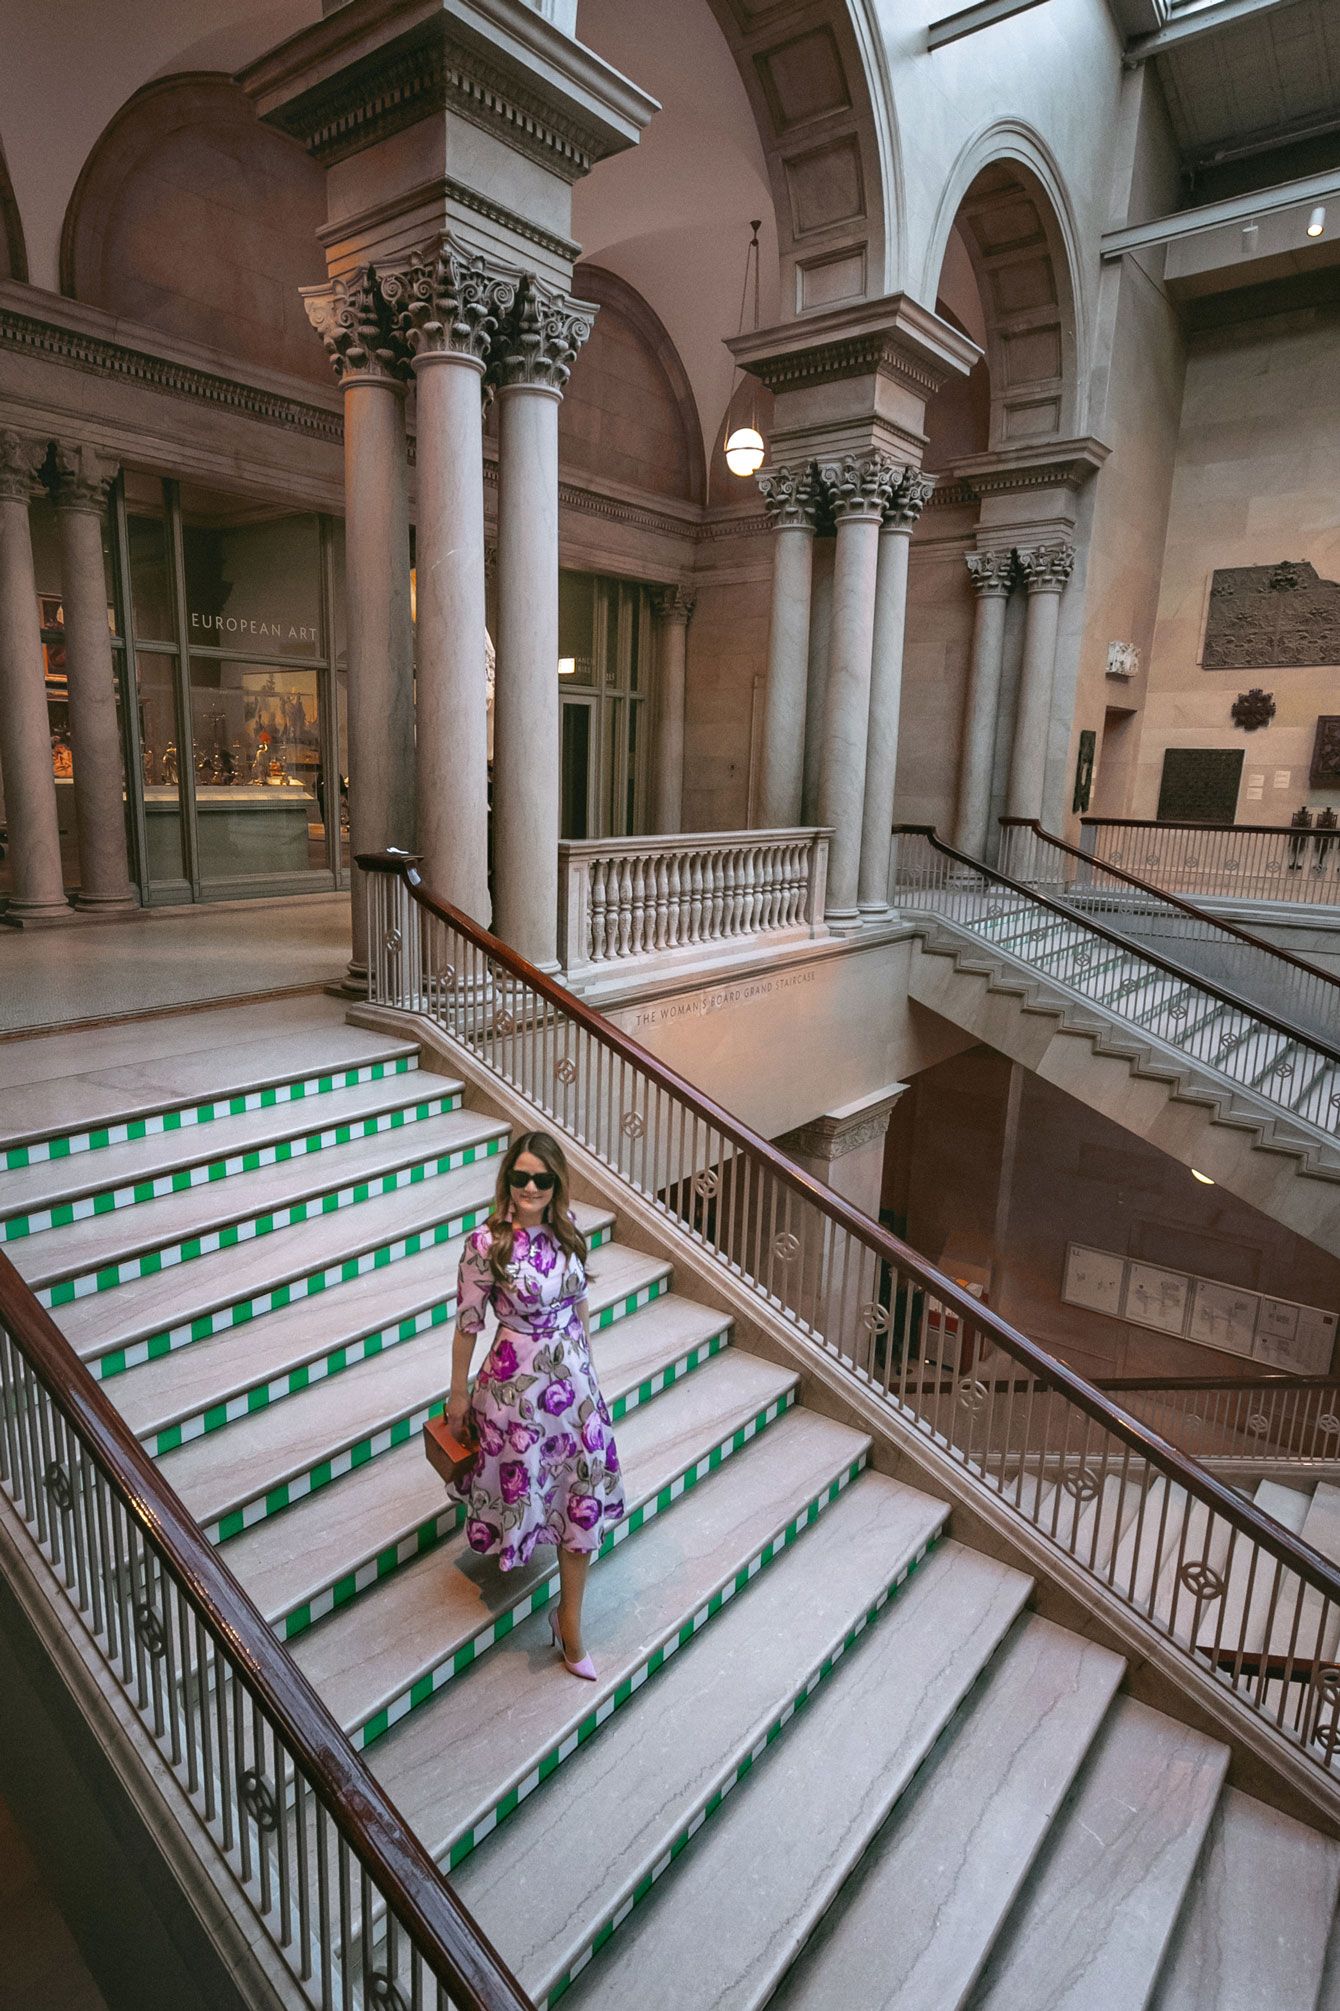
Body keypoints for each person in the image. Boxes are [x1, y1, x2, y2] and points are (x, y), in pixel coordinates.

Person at [445, 1130, 624, 1680]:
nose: (529, 1186)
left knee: (581, 1497)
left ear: (554, 1184)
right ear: (507, 1180)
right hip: (514, 1392)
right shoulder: (485, 1243)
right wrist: (457, 1393)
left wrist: (591, 1377)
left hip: (573, 1391)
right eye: (519, 1176)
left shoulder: (569, 1235)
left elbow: (579, 1309)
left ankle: (569, 1623)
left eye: (540, 1178)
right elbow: (467, 1326)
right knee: (528, 1490)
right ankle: (562, 1617)